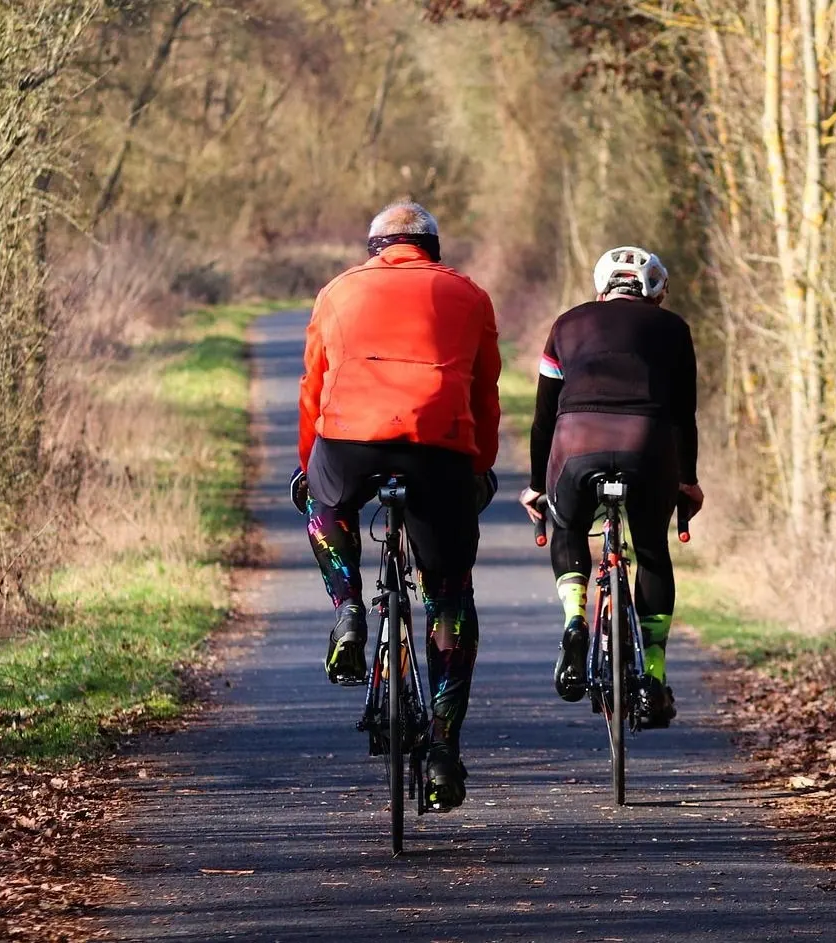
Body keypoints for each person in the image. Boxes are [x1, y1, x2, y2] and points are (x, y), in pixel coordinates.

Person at [293, 202, 501, 809]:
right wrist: (479, 465)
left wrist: (313, 467)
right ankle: (442, 747)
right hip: (438, 449)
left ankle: (350, 608)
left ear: (374, 248)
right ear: (432, 248)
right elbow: (483, 392)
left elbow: (313, 386)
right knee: (449, 594)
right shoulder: (471, 296)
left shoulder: (337, 292)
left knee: (325, 507)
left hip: (350, 442)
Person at [518, 246, 702, 729]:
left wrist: (538, 486)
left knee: (569, 526)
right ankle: (655, 678)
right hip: (649, 445)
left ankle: (576, 619)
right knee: (652, 553)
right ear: (656, 292)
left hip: (578, 443)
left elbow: (543, 419)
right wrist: (688, 481)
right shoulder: (675, 329)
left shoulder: (567, 324)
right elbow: (684, 416)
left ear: (602, 287)